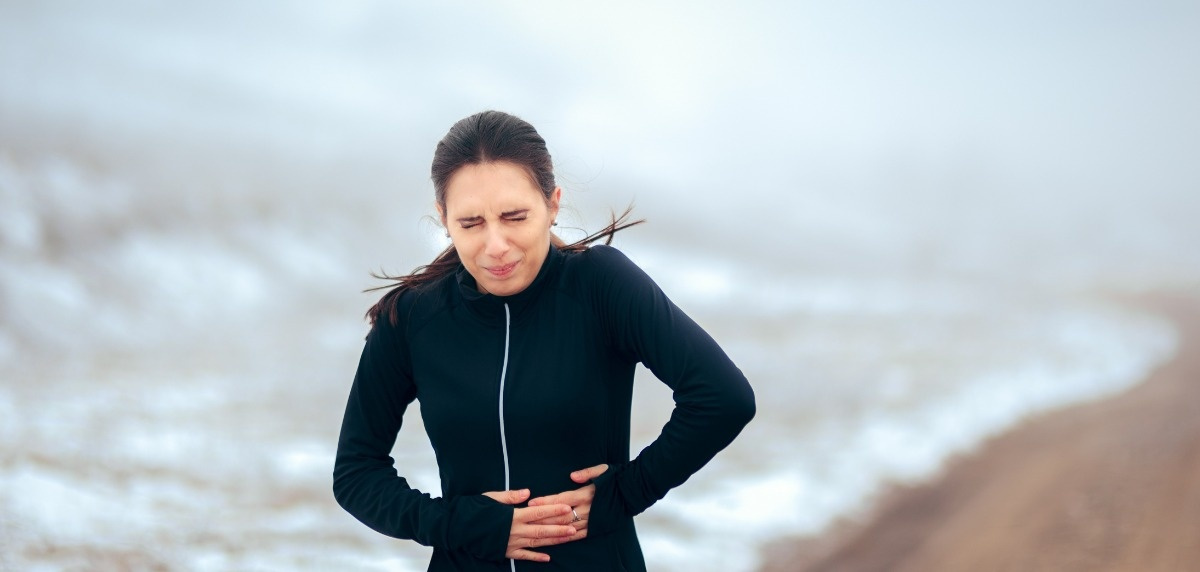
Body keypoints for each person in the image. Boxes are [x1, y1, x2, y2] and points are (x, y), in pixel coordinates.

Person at [333, 110, 755, 571]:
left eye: (514, 216)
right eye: (471, 223)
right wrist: (454, 523)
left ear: (553, 204)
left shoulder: (601, 286)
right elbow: (356, 472)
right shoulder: (414, 317)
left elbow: (723, 398)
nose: (495, 244)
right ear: (444, 218)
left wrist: (627, 490)